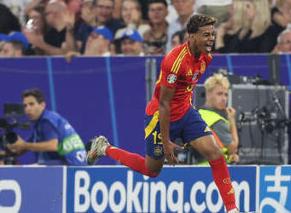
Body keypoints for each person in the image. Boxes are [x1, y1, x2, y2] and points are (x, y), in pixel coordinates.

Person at [86, 14, 240, 213]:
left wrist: (188, 112)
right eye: (206, 34)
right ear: (192, 36)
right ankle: (104, 148)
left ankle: (232, 209)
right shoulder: (174, 62)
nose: (211, 38)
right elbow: (164, 103)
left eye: (212, 34)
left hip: (185, 112)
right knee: (152, 170)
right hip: (160, 116)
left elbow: (188, 87)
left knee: (216, 154)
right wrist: (167, 141)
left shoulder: (206, 57)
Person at [7, 88, 87, 165]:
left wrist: (24, 145)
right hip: (74, 163)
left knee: (35, 168)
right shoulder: (39, 124)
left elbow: (52, 146)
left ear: (43, 105)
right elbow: (22, 147)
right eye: (25, 106)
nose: (28, 109)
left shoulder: (47, 120)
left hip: (72, 164)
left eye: (31, 104)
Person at [193, 74, 240, 165]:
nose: (224, 99)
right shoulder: (217, 121)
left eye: (226, 95)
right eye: (219, 94)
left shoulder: (198, 114)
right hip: (216, 170)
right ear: (208, 95)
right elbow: (233, 148)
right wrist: (232, 120)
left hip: (200, 167)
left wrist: (230, 157)